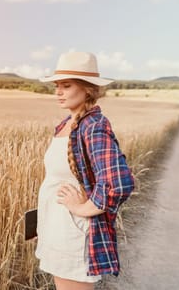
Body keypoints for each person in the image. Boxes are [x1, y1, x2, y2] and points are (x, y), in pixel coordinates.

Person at [35, 51, 135, 290]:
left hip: (73, 230)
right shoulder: (66, 124)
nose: (58, 92)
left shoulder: (93, 126)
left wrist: (81, 208)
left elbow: (118, 183)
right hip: (56, 225)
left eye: (66, 86)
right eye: (57, 86)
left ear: (88, 89)